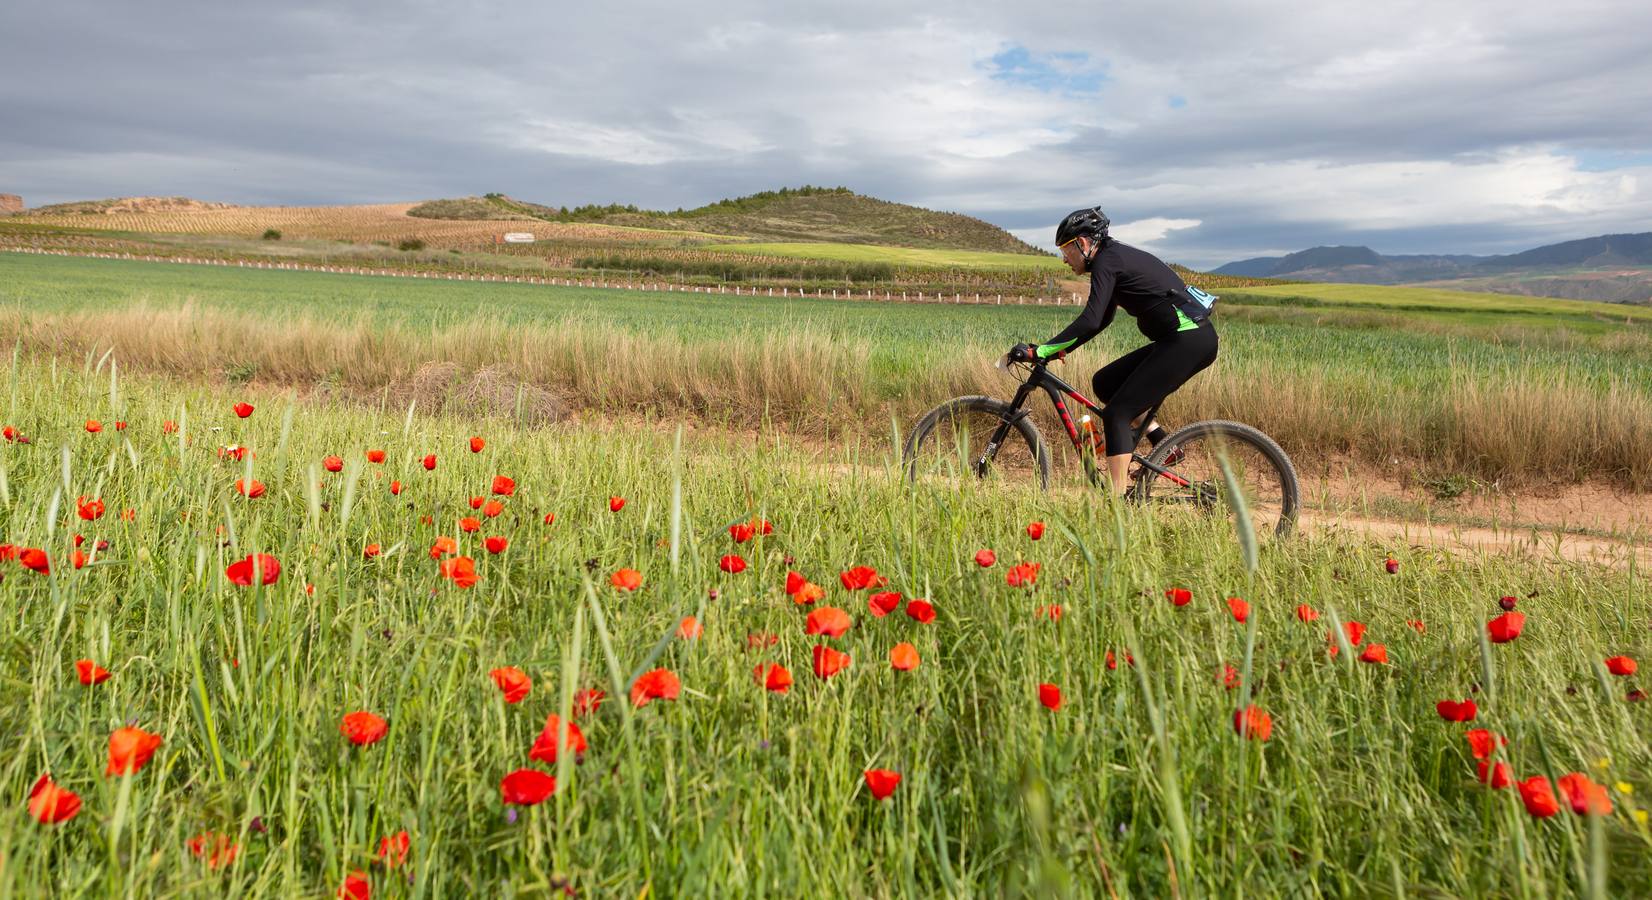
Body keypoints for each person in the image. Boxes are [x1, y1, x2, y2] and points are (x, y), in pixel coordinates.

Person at [1011, 207, 1218, 494]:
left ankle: (1117, 504)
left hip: (1187, 341)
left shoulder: (1108, 262)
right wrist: (1059, 349)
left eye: (1065, 250)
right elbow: (1101, 320)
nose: (1064, 259)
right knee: (1105, 383)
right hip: (1183, 340)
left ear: (1082, 244)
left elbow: (1091, 319)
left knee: (1116, 414)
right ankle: (1164, 445)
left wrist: (1041, 351)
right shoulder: (1112, 259)